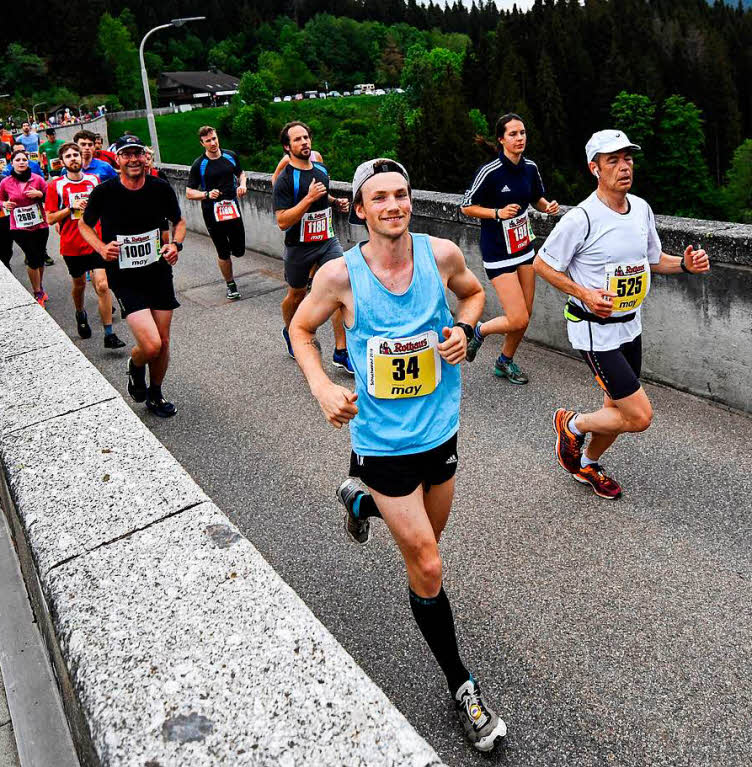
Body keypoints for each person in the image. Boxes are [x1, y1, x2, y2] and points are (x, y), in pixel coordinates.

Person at [290, 157, 504, 752]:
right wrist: (323, 387)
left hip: (440, 431)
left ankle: (361, 503)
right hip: (381, 443)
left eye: (402, 195)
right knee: (429, 563)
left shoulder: (440, 256)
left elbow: (473, 295)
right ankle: (462, 685)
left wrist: (467, 329)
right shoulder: (338, 276)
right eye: (379, 198)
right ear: (359, 210)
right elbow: (300, 332)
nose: (394, 205)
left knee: (428, 539)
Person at [536, 130, 710, 498]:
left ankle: (587, 465)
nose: (623, 166)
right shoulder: (581, 218)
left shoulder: (642, 209)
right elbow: (543, 265)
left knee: (615, 407)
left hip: (631, 326)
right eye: (612, 160)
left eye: (627, 158)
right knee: (638, 415)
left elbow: (653, 260)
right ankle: (572, 424)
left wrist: (686, 266)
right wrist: (583, 292)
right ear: (594, 168)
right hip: (595, 331)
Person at [78, 136, 186, 418]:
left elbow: (180, 222)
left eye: (138, 153)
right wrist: (101, 247)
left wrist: (174, 245)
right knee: (150, 345)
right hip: (125, 277)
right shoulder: (104, 192)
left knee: (163, 340)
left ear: (144, 156)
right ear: (118, 159)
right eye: (127, 155)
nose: (134, 159)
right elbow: (84, 225)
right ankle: (135, 366)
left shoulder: (160, 188)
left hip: (158, 272)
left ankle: (156, 394)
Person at [460, 114, 560, 384]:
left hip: (524, 248)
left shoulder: (530, 168)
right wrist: (497, 212)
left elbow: (535, 198)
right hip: (498, 253)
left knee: (524, 317)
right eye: (513, 134)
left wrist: (546, 206)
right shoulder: (491, 172)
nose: (520, 138)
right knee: (516, 318)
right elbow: (466, 206)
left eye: (523, 133)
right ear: (501, 139)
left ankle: (504, 362)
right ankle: (479, 331)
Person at [273, 121, 352, 373]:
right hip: (299, 247)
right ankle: (291, 332)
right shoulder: (286, 180)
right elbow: (282, 221)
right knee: (296, 295)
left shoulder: (320, 168)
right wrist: (307, 199)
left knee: (340, 287)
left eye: (306, 137)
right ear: (287, 147)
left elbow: (322, 194)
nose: (304, 142)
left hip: (327, 240)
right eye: (297, 139)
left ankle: (341, 351)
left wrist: (334, 202)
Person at [44, 142, 126, 349]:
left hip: (96, 241)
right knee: (79, 285)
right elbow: (50, 218)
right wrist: (70, 208)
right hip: (72, 244)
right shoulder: (56, 185)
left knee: (102, 285)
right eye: (68, 156)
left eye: (76, 155)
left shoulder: (94, 180)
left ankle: (109, 333)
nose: (73, 159)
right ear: (62, 162)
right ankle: (80, 312)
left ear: (82, 159)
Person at [186, 125, 247, 300]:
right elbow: (189, 192)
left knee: (239, 250)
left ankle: (231, 253)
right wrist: (205, 194)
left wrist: (242, 185)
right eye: (208, 141)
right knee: (223, 251)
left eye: (214, 139)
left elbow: (241, 174)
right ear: (202, 143)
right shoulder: (199, 165)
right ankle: (230, 284)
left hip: (232, 209)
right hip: (212, 212)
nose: (212, 143)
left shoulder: (230, 156)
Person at [0, 149, 51, 306]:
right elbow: (0, 200)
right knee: (32, 258)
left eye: (24, 160)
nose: (21, 162)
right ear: (12, 163)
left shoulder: (37, 179)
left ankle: (39, 285)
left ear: (28, 162)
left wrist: (40, 195)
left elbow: (50, 198)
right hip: (19, 228)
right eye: (18, 160)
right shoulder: (5, 182)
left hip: (40, 225)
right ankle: (37, 292)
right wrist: (5, 204)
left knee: (39, 258)